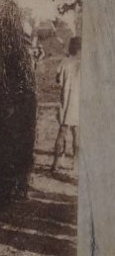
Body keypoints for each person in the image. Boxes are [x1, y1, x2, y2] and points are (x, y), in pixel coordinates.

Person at [52, 36, 81, 173]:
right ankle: (75, 164)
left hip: (66, 100)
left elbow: (58, 79)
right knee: (77, 133)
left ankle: (55, 164)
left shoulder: (65, 62)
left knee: (62, 132)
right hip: (79, 103)